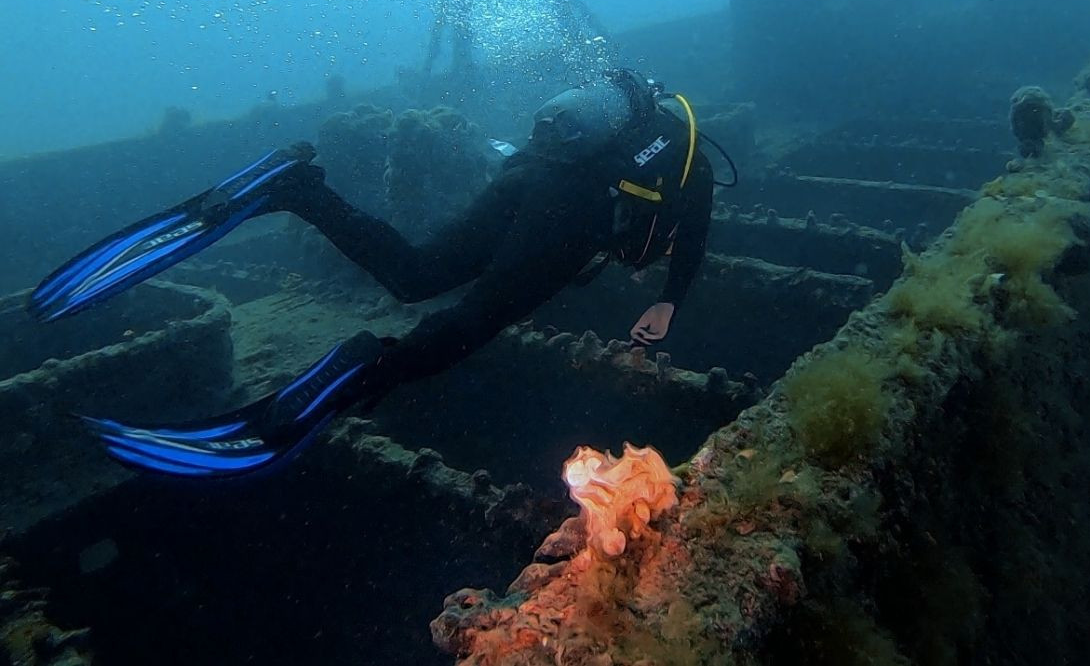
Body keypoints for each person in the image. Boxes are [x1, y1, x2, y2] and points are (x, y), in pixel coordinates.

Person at [31, 70, 714, 478]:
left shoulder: (637, 139)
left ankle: (295, 188)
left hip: (529, 174)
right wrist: (672, 301)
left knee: (418, 273)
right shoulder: (691, 168)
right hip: (569, 212)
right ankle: (361, 369)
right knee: (472, 321)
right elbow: (697, 231)